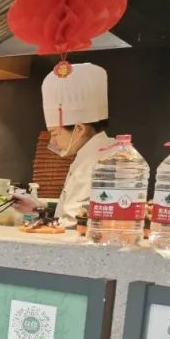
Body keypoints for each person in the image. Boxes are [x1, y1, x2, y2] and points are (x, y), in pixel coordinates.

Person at [12, 63, 115, 227]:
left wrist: (40, 218)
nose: (52, 142)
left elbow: (73, 224)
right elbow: (71, 214)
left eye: (54, 133)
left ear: (79, 129)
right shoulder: (95, 153)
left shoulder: (100, 162)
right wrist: (38, 208)